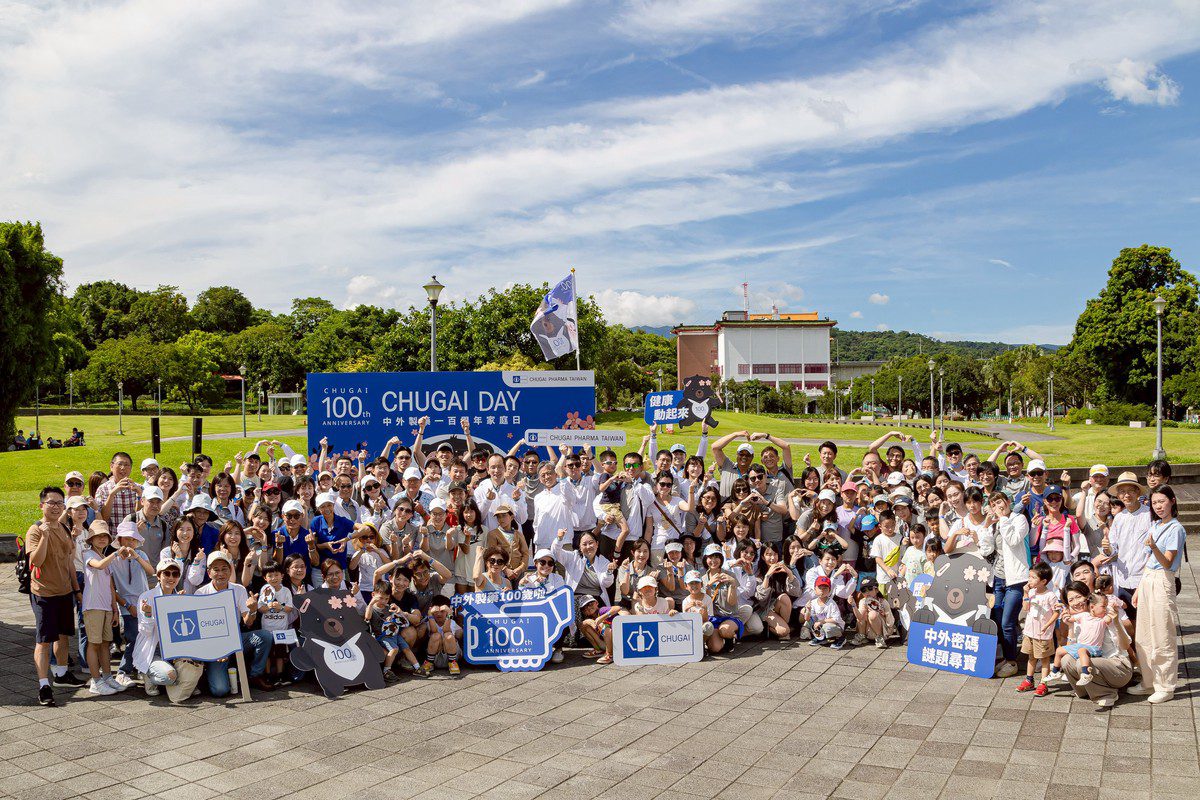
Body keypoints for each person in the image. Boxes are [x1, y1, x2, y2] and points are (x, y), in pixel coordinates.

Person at [26, 487, 87, 705]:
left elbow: (69, 561)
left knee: (63, 635)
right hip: (43, 592)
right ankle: (44, 685)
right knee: (43, 641)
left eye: (60, 503)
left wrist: (76, 590)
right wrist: (44, 535)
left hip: (64, 591)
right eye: (51, 502)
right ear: (42, 505)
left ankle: (61, 674)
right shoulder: (35, 530)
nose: (55, 506)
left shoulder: (63, 526)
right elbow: (37, 561)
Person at [1127, 486, 1184, 703]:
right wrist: (1140, 587)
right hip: (1148, 577)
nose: (1158, 506)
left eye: (1162, 501)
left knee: (1162, 635)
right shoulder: (1154, 525)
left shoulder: (1176, 529)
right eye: (1154, 503)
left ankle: (1166, 686)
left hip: (1163, 579)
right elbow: (1148, 562)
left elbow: (1167, 562)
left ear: (1172, 501)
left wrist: (1153, 546)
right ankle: (1149, 681)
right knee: (1143, 635)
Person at [194, 551, 273, 695]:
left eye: (224, 569)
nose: (220, 573)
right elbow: (200, 631)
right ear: (209, 572)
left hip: (236, 637)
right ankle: (208, 675)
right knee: (220, 690)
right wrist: (215, 650)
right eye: (216, 569)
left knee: (265, 636)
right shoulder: (200, 593)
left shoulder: (239, 589)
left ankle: (254, 676)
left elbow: (248, 622)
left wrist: (253, 610)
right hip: (214, 642)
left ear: (230, 570)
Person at [978, 491, 1031, 679]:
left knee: (1008, 622)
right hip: (998, 579)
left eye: (1000, 502)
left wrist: (1003, 519)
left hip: (1016, 579)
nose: (998, 507)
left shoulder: (1019, 519)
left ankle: (1012, 662)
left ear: (1008, 502)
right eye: (993, 504)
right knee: (998, 620)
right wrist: (986, 526)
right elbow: (986, 550)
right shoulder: (996, 524)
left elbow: (1014, 540)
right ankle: (1006, 658)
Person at [81, 522, 125, 696]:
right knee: (94, 643)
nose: (102, 538)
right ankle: (96, 680)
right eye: (98, 535)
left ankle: (107, 677)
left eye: (105, 535)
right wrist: (116, 553)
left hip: (106, 607)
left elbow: (110, 587)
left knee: (106, 644)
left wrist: (114, 610)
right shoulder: (87, 554)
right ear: (91, 539)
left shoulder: (104, 556)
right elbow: (98, 566)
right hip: (93, 606)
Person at [110, 521, 155, 688]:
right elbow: (112, 588)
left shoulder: (141, 555)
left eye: (133, 539)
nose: (130, 543)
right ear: (119, 540)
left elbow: (152, 572)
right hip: (126, 604)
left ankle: (138, 666)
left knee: (145, 636)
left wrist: (136, 557)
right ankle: (123, 671)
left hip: (144, 602)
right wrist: (127, 605)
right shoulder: (113, 559)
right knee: (132, 637)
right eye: (126, 539)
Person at [1106, 472, 1153, 619]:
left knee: (1147, 618)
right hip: (1123, 577)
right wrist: (1108, 549)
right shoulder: (1119, 518)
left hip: (1144, 576)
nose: (1126, 495)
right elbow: (1113, 548)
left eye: (1130, 491)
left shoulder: (1149, 515)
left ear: (1138, 492)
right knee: (1129, 619)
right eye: (1122, 492)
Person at [1050, 592, 1117, 689]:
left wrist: (1110, 609)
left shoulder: (1102, 619)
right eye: (1103, 606)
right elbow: (1069, 619)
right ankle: (1055, 671)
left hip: (1094, 648)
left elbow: (1109, 618)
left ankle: (1086, 673)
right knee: (1059, 650)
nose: (1105, 609)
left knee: (1081, 651)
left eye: (1106, 606)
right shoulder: (1084, 616)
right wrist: (1064, 609)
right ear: (1092, 607)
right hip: (1081, 646)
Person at [1016, 562, 1059, 696]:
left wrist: (1047, 625)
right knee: (1031, 657)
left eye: (1033, 577)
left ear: (1044, 581)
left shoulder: (1050, 595)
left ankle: (1043, 683)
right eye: (1029, 576)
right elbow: (1025, 608)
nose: (1030, 580)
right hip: (1030, 631)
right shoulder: (1032, 592)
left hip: (1043, 633)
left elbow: (1057, 612)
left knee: (1045, 659)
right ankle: (1029, 680)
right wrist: (1026, 593)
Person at [803, 576, 844, 647]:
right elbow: (807, 619)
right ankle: (822, 638)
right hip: (821, 625)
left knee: (827, 627)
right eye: (820, 588)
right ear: (815, 589)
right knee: (808, 622)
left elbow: (836, 619)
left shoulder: (831, 603)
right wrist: (808, 610)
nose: (822, 590)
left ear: (829, 590)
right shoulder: (813, 602)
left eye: (825, 588)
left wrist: (821, 622)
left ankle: (840, 638)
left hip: (834, 626)